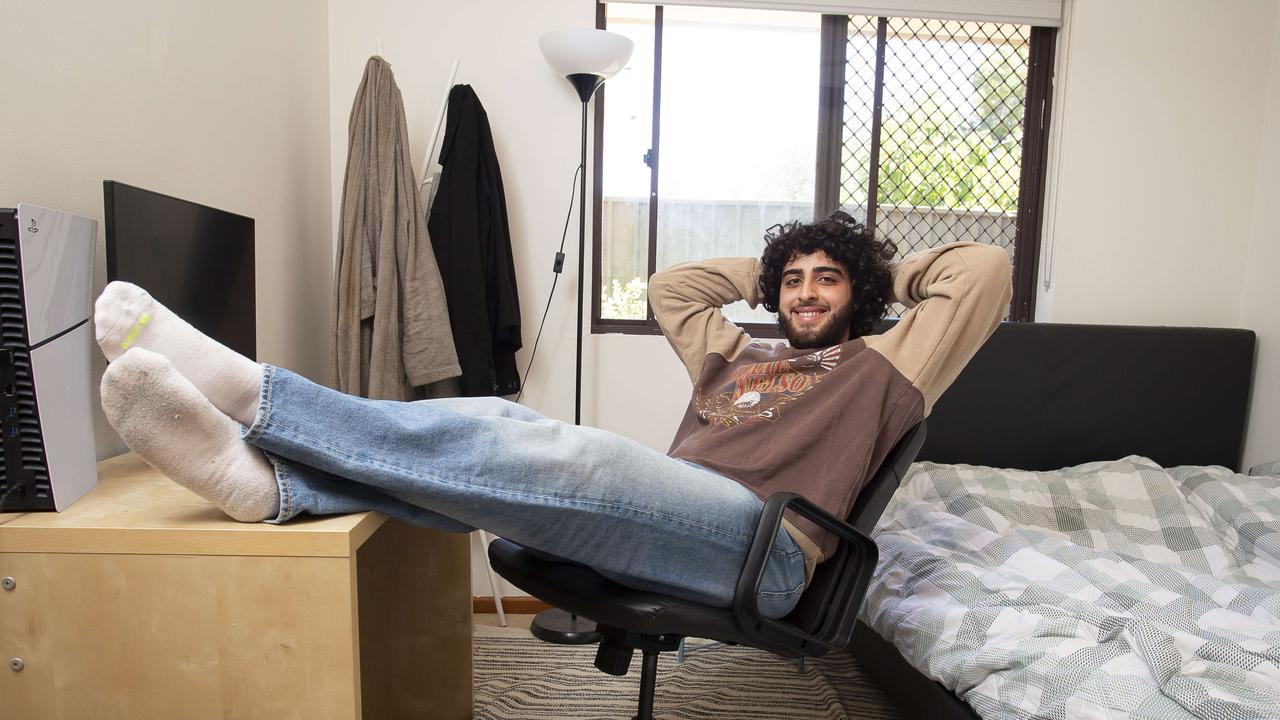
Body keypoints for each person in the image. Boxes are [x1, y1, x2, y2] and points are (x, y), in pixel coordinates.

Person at [95, 211, 1010, 620]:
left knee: (547, 448)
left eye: (828, 279)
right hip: (681, 511)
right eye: (794, 282)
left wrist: (869, 265)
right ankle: (276, 489)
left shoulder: (887, 361)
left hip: (764, 549)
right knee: (512, 441)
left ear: (861, 293)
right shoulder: (740, 354)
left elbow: (985, 274)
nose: (808, 294)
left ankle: (259, 394)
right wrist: (776, 272)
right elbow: (672, 286)